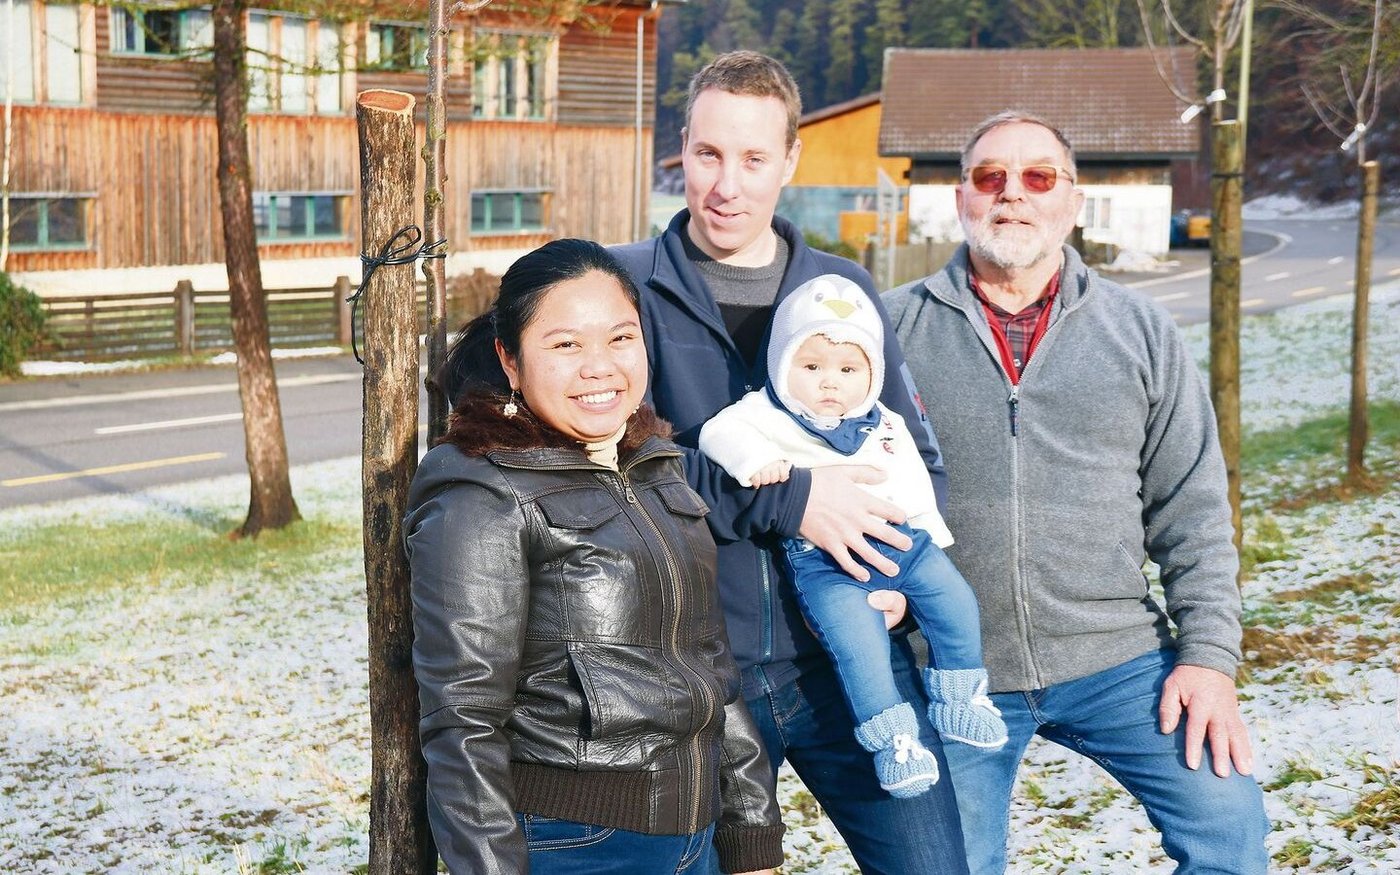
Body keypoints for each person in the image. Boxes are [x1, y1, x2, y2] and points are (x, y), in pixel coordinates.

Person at [883, 110, 1270, 874]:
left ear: (1073, 200)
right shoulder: (890, 331)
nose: (1013, 196)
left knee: (1230, 827)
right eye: (991, 177)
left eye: (1038, 177)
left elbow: (1193, 512)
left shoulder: (1142, 330)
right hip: (954, 670)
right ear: (961, 197)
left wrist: (1210, 659)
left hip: (1120, 659)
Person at [611, 51, 969, 873]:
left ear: (791, 161)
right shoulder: (625, 288)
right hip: (696, 680)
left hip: (845, 668)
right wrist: (789, 499)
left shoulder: (841, 291)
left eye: (752, 159)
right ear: (683, 150)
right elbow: (629, 476)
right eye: (707, 155)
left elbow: (911, 459)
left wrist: (896, 590)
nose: (725, 185)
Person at [406, 238, 784, 875]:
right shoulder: (483, 490)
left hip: (697, 839)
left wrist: (751, 836)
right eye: (564, 345)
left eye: (620, 337)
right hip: (574, 844)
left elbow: (714, 668)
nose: (600, 367)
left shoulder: (657, 467)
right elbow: (462, 719)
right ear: (510, 359)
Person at [697, 273, 1007, 799]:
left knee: (956, 603)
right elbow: (716, 433)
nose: (829, 383)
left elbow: (911, 472)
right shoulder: (766, 414)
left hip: (904, 540)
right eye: (811, 366)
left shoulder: (882, 420)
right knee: (859, 646)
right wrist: (760, 462)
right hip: (824, 562)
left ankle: (962, 697)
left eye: (847, 369)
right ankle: (894, 740)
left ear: (871, 373)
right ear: (781, 364)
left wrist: (928, 531)